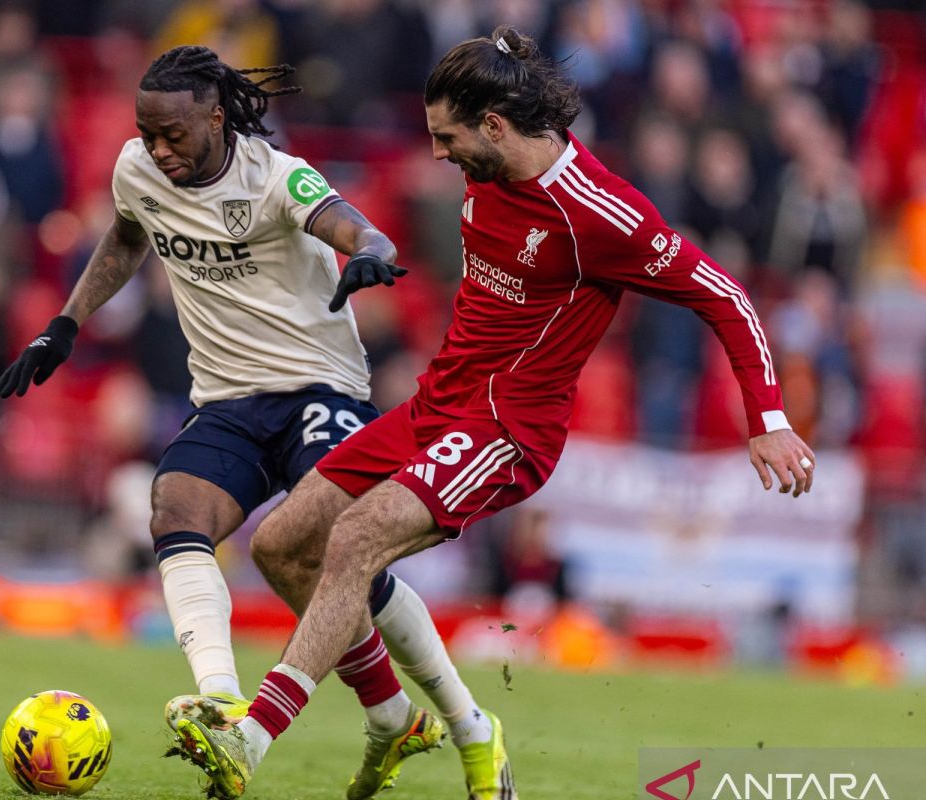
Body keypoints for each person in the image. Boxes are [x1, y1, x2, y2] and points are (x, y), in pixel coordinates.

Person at [168, 26, 817, 800]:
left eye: (448, 138)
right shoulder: (490, 164)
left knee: (357, 537)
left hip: (507, 429)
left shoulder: (599, 213)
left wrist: (768, 418)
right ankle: (445, 725)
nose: (440, 155)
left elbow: (725, 294)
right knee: (280, 544)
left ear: (495, 126)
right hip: (437, 404)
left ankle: (250, 739)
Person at [0, 45, 489, 798]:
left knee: (334, 553)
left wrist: (372, 252)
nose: (159, 151)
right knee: (175, 508)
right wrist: (65, 323)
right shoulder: (140, 171)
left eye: (174, 136)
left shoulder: (275, 177)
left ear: (218, 118)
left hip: (321, 390)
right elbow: (129, 232)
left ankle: (463, 719)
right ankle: (222, 703)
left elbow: (348, 222)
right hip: (226, 399)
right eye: (146, 134)